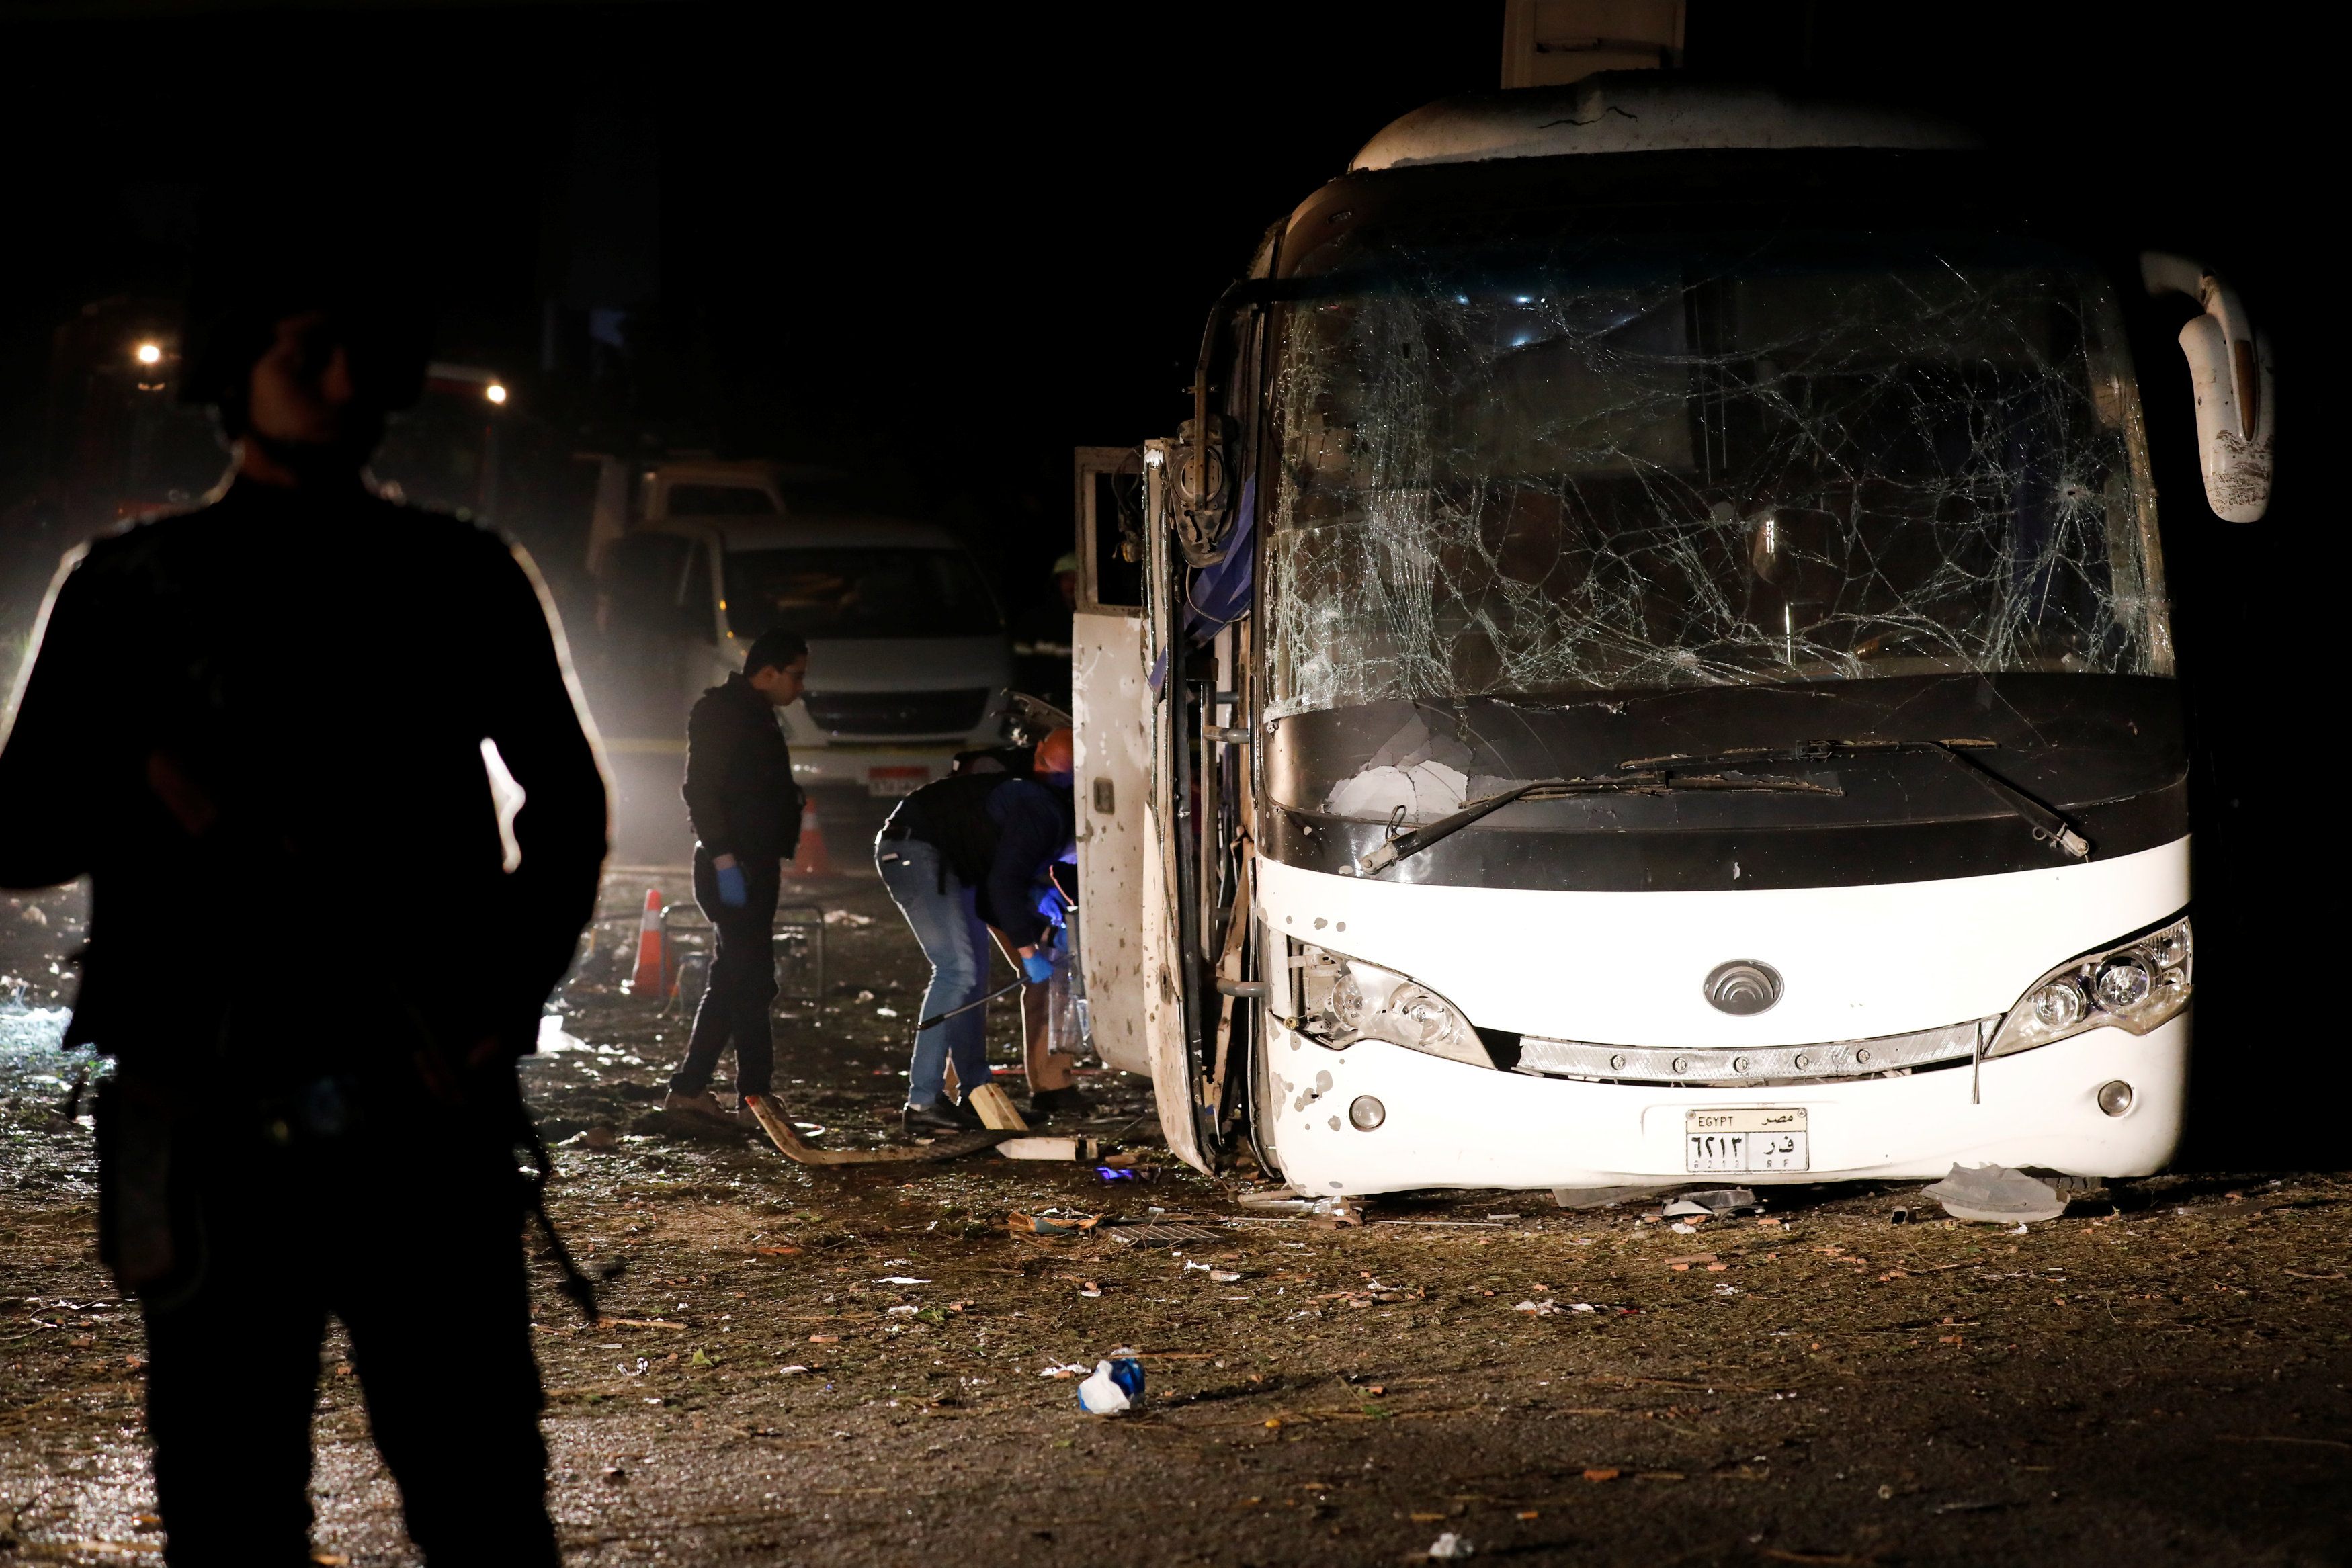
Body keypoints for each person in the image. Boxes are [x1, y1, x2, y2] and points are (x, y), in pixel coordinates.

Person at [0, 258, 607, 1566]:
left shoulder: (456, 575)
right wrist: (135, 774)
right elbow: (18, 832)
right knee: (229, 1506)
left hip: (420, 1104)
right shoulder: (129, 588)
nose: (348, 384)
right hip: (208, 1116)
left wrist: (500, 1006)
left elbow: (568, 808)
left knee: (482, 1494)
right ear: (233, 378)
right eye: (309, 353)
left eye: (363, 357)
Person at [876, 728, 1077, 1133]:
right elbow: (1003, 884)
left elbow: (997, 884)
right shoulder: (1046, 813)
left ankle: (976, 1094)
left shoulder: (1042, 805)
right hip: (916, 851)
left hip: (945, 859)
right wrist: (1029, 951)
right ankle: (922, 1103)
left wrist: (1038, 909)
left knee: (971, 981)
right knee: (956, 972)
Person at [664, 627, 807, 1123]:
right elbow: (700, 788)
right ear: (768, 673)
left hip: (751, 862)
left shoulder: (754, 713)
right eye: (797, 675)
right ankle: (756, 1097)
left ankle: (690, 1089)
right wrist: (724, 858)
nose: (800, 687)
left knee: (733, 980)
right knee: (751, 981)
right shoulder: (724, 712)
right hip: (736, 865)